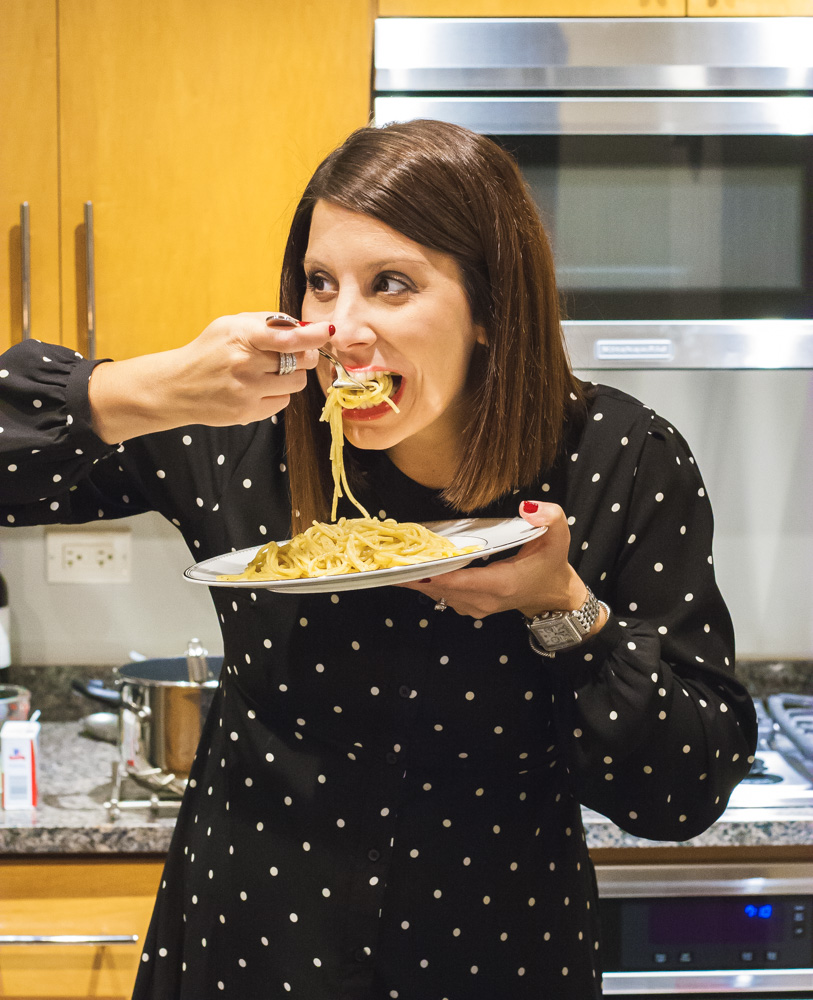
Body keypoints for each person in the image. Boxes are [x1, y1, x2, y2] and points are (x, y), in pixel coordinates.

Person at [0, 119, 756, 1000]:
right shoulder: (242, 430)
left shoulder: (615, 457)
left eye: (391, 285)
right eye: (319, 284)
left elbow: (682, 792)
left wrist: (563, 608)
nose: (339, 330)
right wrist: (143, 389)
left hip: (497, 953)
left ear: (488, 311)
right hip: (251, 944)